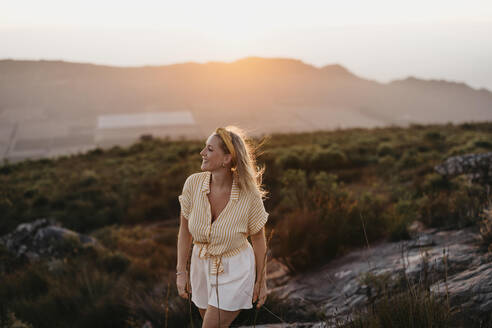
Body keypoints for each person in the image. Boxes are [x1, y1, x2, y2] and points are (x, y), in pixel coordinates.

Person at [176, 125, 269, 328]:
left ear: (227, 159)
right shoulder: (192, 184)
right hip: (200, 268)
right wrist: (181, 271)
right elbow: (184, 231)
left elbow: (259, 238)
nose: (202, 153)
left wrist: (261, 281)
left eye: (209, 149)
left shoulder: (248, 194)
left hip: (235, 269)